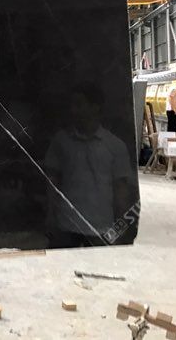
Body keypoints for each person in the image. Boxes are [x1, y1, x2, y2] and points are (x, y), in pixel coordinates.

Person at [44, 83, 136, 248]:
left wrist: (119, 231)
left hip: (102, 229)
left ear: (95, 107)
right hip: (65, 226)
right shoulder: (62, 141)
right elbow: (52, 181)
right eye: (72, 105)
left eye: (79, 104)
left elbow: (121, 192)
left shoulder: (115, 146)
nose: (73, 110)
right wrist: (50, 217)